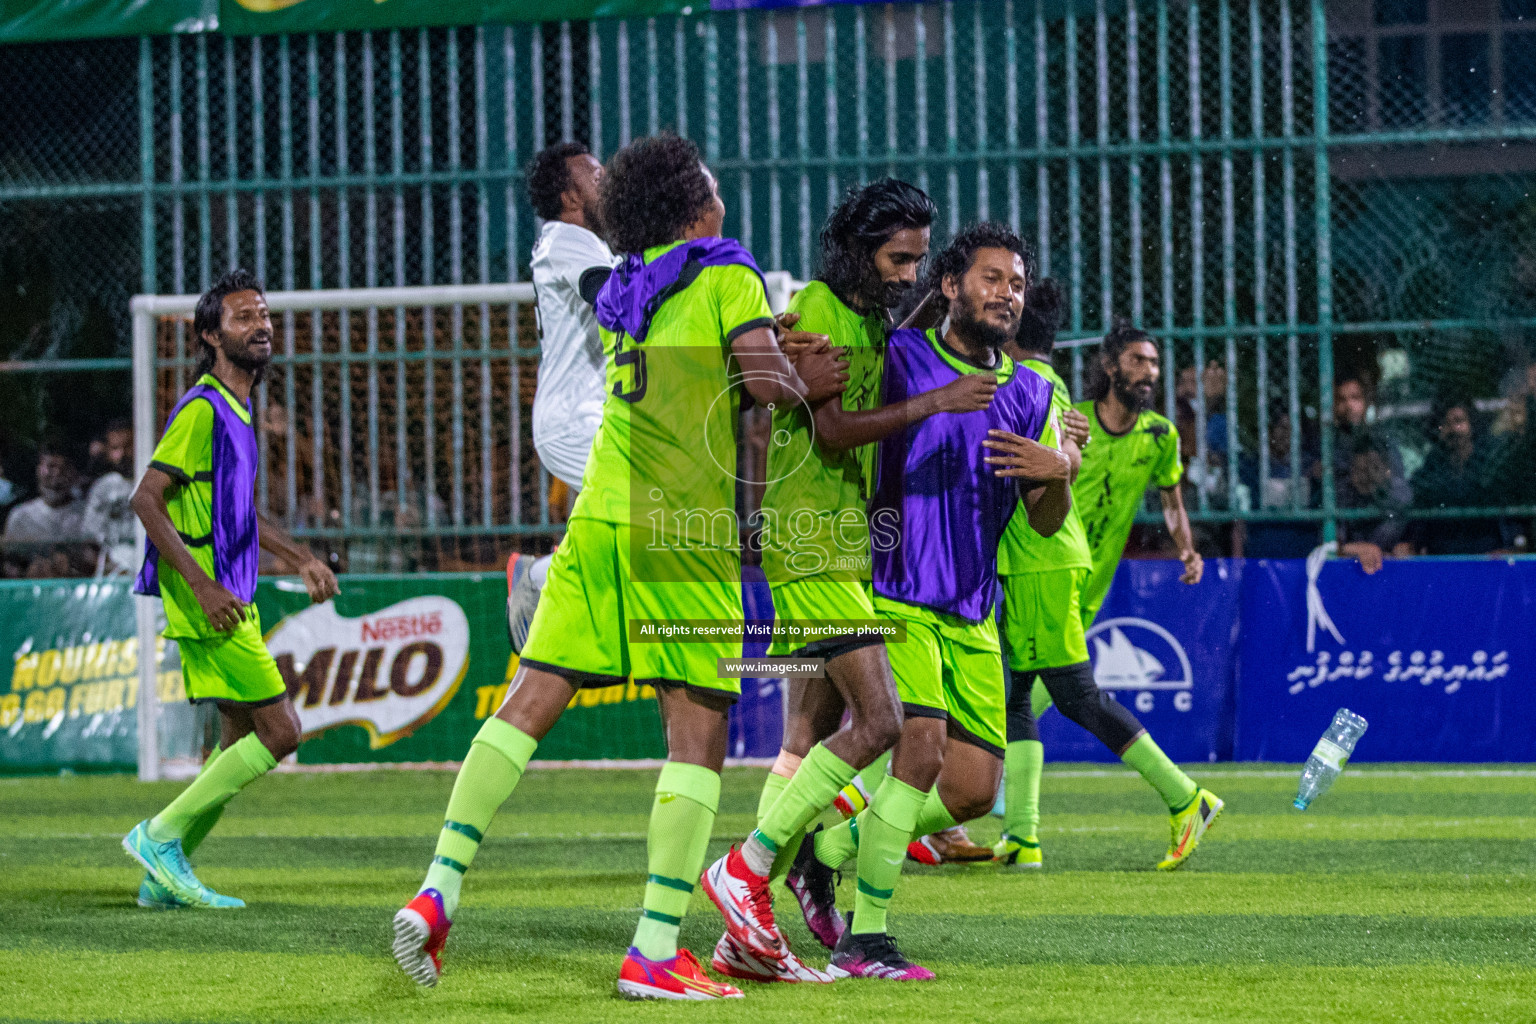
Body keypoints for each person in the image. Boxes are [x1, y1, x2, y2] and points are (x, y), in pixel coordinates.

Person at [390, 135, 844, 1001]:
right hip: (680, 526)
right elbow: (757, 380)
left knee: (532, 697)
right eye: (712, 183)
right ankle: (655, 947)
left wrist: (761, 356)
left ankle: (439, 887)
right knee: (699, 725)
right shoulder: (727, 270)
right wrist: (806, 380)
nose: (721, 194)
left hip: (600, 509)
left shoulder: (629, 288)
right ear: (695, 204)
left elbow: (702, 370)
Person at [703, 178, 998, 982]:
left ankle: (748, 925)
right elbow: (832, 426)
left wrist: (936, 301)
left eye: (917, 261)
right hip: (813, 545)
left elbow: (881, 341)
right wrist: (939, 399)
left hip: (840, 544)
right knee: (883, 722)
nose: (907, 274)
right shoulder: (825, 314)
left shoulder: (861, 315)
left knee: (806, 739)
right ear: (858, 249)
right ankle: (748, 868)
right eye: (897, 259)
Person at [784, 224, 1070, 980]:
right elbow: (834, 419)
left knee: (974, 792)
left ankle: (827, 850)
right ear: (949, 286)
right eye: (991, 278)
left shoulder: (1034, 391)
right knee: (919, 750)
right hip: (896, 590)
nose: (1006, 293)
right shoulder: (900, 357)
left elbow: (1044, 519)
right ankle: (865, 938)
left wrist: (1058, 471)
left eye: (1016, 283)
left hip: (975, 608)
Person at [122, 269, 340, 910]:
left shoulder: (237, 411)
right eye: (243, 318)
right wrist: (204, 585)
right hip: (209, 601)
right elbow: (146, 498)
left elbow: (237, 510)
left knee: (236, 743)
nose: (261, 325)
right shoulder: (203, 408)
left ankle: (162, 877)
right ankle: (158, 837)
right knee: (281, 734)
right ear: (211, 335)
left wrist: (298, 556)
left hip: (225, 593)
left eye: (264, 314)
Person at [988, 298, 1223, 870]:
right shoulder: (1075, 417)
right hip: (1045, 572)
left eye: (1154, 363)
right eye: (1138, 361)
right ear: (1110, 366)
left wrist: (1185, 547)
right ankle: (1021, 833)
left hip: (1058, 574)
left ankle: (1185, 796)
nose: (1150, 372)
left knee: (1062, 697)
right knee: (1016, 696)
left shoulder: (1157, 434)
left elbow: (1171, 499)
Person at [527, 141, 617, 504]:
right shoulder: (566, 238)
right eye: (596, 175)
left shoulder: (587, 243)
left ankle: (537, 566)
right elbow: (608, 295)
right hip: (574, 421)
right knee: (651, 498)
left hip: (588, 416)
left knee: (619, 525)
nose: (607, 179)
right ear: (570, 198)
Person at [1409, 399, 1503, 555]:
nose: (1453, 429)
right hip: (1442, 552)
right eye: (1446, 423)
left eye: (1459, 421)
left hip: (1487, 553)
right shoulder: (1430, 468)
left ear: (1471, 426)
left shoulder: (1490, 464)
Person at [3, 437, 92, 577]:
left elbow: (95, 560)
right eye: (50, 467)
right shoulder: (20, 517)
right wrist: (28, 572)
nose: (56, 474)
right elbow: (10, 566)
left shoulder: (87, 513)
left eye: (63, 468)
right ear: (38, 470)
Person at [83, 419, 138, 575]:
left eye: (127, 446)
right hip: (113, 573)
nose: (121, 454)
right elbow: (90, 541)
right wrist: (108, 566)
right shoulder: (102, 488)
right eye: (115, 448)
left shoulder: (156, 482)